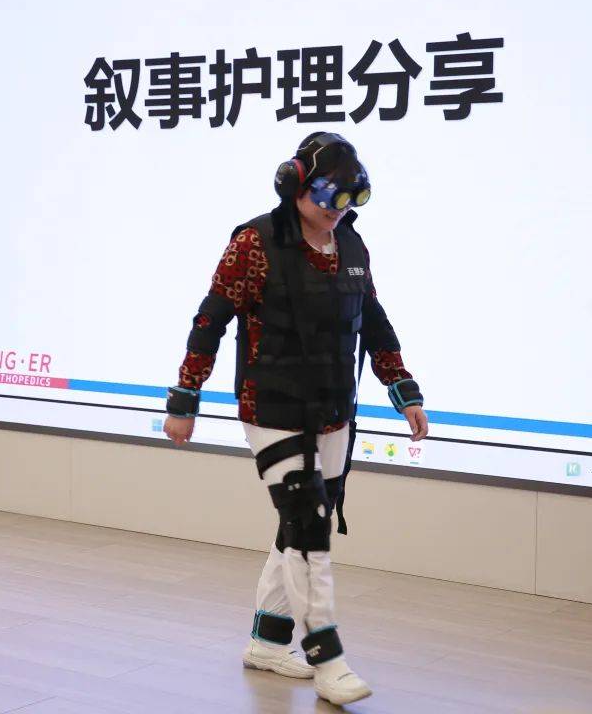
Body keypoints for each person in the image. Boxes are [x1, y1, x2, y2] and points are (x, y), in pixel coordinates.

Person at [163, 132, 427, 706]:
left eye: (352, 198)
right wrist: (185, 397)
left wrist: (402, 389)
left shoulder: (350, 245)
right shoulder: (255, 243)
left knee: (303, 522)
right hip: (273, 407)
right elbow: (210, 320)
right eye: (329, 196)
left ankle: (267, 641)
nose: (338, 210)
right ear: (294, 185)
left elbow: (372, 320)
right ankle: (328, 661)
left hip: (333, 408)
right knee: (309, 526)